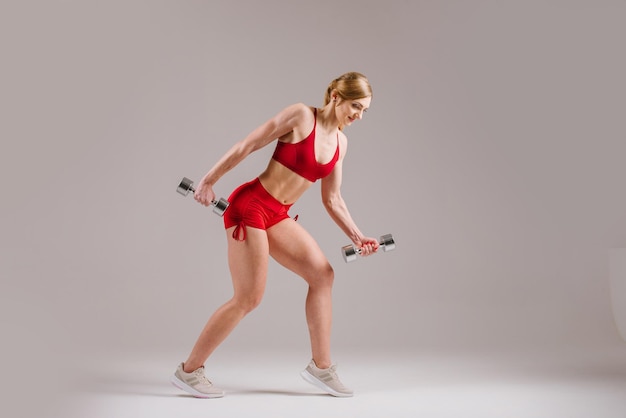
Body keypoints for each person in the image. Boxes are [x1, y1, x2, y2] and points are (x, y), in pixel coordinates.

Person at [170, 72, 380, 398]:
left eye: (365, 110)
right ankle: (189, 371)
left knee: (322, 276)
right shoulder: (300, 115)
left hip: (277, 215)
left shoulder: (341, 142)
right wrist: (209, 179)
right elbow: (249, 144)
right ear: (336, 97)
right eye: (356, 106)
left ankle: (321, 368)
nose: (359, 115)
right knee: (249, 298)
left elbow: (332, 198)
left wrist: (357, 236)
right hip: (250, 206)